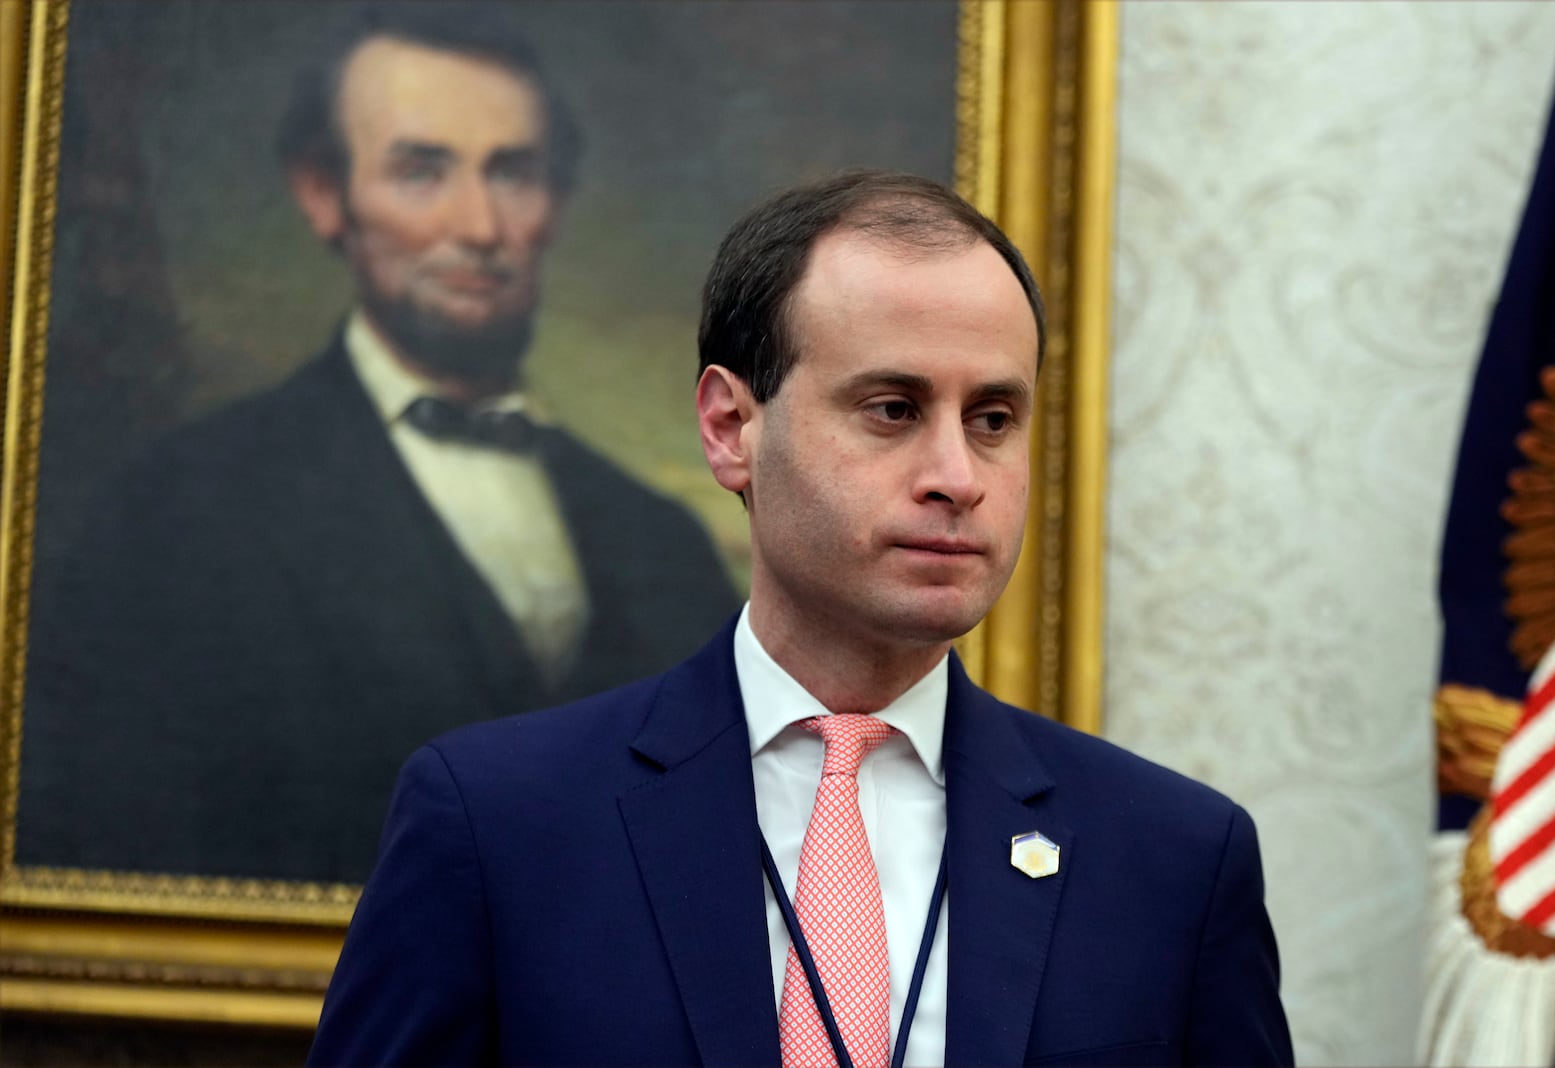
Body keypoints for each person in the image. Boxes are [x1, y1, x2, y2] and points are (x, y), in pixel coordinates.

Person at [308, 170, 1294, 1066]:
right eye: (892, 410)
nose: (957, 478)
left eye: (992, 419)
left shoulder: (1170, 862)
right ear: (731, 429)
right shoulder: (498, 826)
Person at [16, 6, 739, 885]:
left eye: (512, 172)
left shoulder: (658, 539)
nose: (478, 224)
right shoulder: (176, 511)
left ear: (553, 202)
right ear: (326, 195)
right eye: (421, 171)